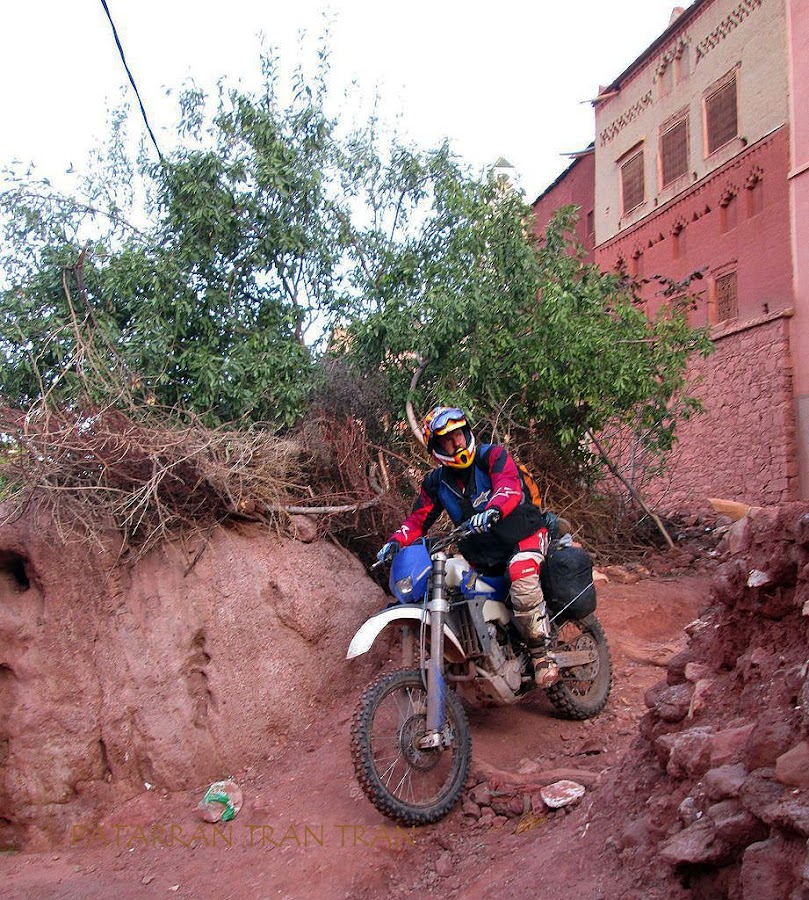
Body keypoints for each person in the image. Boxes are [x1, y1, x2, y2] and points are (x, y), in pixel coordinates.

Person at [376, 406, 559, 687]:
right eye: (447, 440)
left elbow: (508, 487)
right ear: (436, 448)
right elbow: (417, 519)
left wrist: (494, 509)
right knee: (456, 588)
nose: (456, 442)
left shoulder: (493, 456)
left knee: (521, 575)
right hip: (484, 554)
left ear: (467, 432)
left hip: (524, 535)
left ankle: (541, 652)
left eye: (459, 434)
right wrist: (394, 542)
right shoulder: (436, 483)